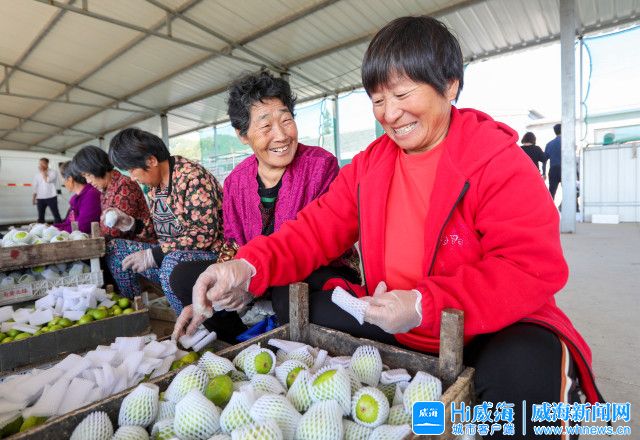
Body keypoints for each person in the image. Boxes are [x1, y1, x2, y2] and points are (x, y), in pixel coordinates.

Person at [173, 16, 603, 439]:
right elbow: (315, 228)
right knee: (297, 306)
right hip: (392, 317)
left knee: (526, 378)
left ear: (449, 85)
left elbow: (529, 268)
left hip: (486, 325)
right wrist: (246, 267)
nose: (391, 114)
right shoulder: (371, 164)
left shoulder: (496, 159)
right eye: (378, 100)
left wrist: (422, 303)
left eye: (401, 94)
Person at [168, 71, 359, 341]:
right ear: (243, 135)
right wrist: (223, 290)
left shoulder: (320, 166)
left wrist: (254, 282)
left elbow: (321, 243)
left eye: (286, 120)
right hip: (255, 269)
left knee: (288, 290)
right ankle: (241, 342)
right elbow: (233, 244)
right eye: (266, 126)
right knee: (185, 277)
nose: (281, 135)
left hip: (314, 270)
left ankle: (283, 342)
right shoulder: (236, 181)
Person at [105, 128, 224, 310]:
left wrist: (154, 255)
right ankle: (134, 311)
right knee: (115, 248)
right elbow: (159, 232)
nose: (133, 178)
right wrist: (132, 224)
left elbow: (204, 235)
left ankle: (189, 322)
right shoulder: (155, 185)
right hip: (173, 254)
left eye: (132, 170)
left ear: (151, 161)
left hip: (212, 256)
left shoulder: (192, 177)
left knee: (170, 264)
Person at [71, 145, 156, 243]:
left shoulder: (124, 184)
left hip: (138, 245)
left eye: (88, 175)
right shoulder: (105, 190)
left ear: (96, 167)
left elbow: (116, 231)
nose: (88, 181)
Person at [54, 161, 101, 233]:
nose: (63, 183)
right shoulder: (76, 198)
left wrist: (55, 230)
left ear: (70, 179)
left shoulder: (91, 195)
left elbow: (82, 227)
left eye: (63, 178)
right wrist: (52, 227)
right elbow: (69, 223)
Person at [32, 157, 62, 224]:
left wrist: (43, 172)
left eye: (43, 163)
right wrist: (34, 198)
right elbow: (35, 187)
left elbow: (47, 180)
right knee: (40, 217)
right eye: (40, 164)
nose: (41, 165)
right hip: (40, 198)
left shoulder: (53, 172)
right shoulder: (37, 175)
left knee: (56, 215)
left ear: (47, 164)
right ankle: (40, 229)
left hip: (51, 197)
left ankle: (59, 227)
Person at [545, 123, 562, 201]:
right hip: (564, 169)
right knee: (569, 191)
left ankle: (549, 207)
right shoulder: (567, 143)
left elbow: (544, 159)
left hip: (553, 169)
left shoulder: (549, 144)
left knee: (551, 193)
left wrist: (544, 173)